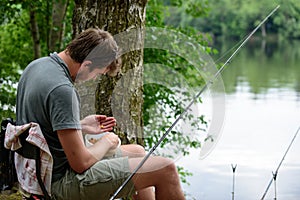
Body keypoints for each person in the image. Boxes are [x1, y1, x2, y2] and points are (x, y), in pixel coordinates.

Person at [16, 28, 185, 200]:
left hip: (36, 173)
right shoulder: (62, 90)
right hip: (58, 183)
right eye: (97, 74)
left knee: (138, 152)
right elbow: (81, 163)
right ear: (87, 64)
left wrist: (80, 125)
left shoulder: (37, 66)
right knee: (166, 169)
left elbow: (41, 125)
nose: (94, 78)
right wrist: (106, 141)